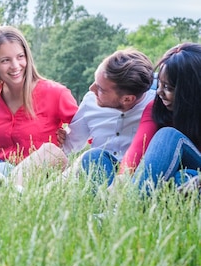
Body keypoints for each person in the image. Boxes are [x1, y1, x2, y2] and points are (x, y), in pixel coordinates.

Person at [0, 25, 78, 186]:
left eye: (20, 57)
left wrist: (70, 136)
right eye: (5, 60)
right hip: (4, 168)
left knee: (3, 170)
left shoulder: (55, 93)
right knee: (2, 168)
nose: (15, 65)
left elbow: (89, 129)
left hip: (43, 170)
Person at [61, 48, 155, 185]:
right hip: (98, 169)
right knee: (90, 157)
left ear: (127, 99)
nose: (91, 89)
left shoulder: (156, 106)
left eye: (100, 89)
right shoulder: (90, 101)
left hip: (136, 177)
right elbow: (70, 144)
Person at [121, 43, 201, 194]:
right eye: (159, 84)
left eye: (168, 88)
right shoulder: (156, 107)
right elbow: (137, 150)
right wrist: (121, 179)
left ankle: (123, 208)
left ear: (192, 90)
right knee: (94, 156)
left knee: (169, 136)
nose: (159, 92)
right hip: (166, 175)